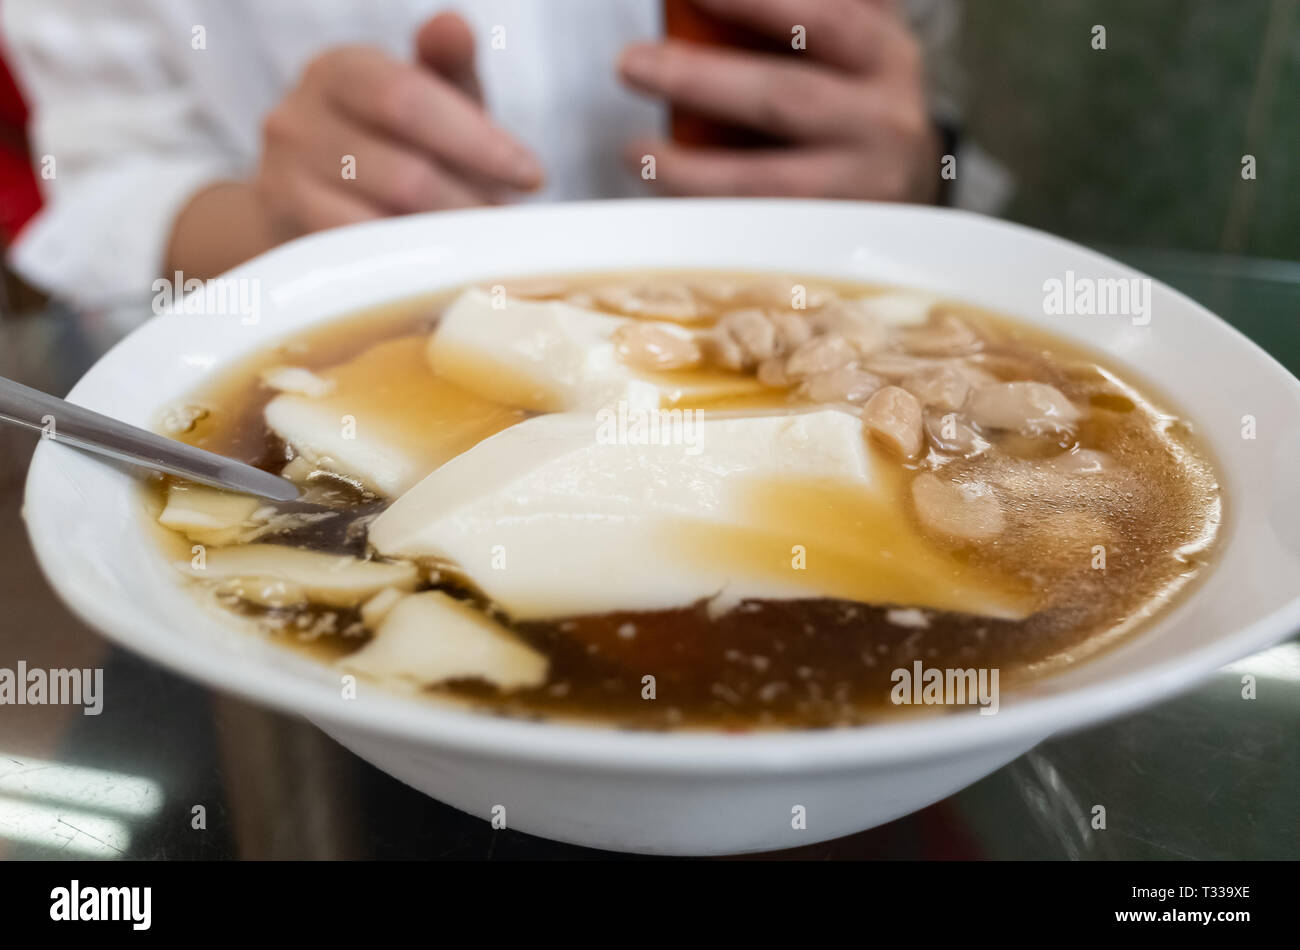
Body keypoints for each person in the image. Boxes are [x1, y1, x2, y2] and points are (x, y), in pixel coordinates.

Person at [2, 0, 986, 309]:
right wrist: (283, 224)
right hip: (354, 465)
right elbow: (105, 185)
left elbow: (923, 86)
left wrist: (911, 175)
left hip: (816, 354)